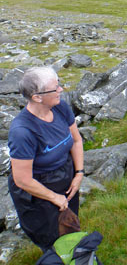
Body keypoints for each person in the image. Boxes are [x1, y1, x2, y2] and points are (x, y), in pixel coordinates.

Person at [8, 67, 84, 251]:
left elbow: (76, 140)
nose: (61, 90)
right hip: (37, 189)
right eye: (55, 88)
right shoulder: (22, 132)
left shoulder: (60, 107)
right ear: (37, 97)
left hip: (65, 177)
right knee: (51, 238)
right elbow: (22, 179)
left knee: (69, 226)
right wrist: (54, 198)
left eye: (59, 84)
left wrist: (79, 173)